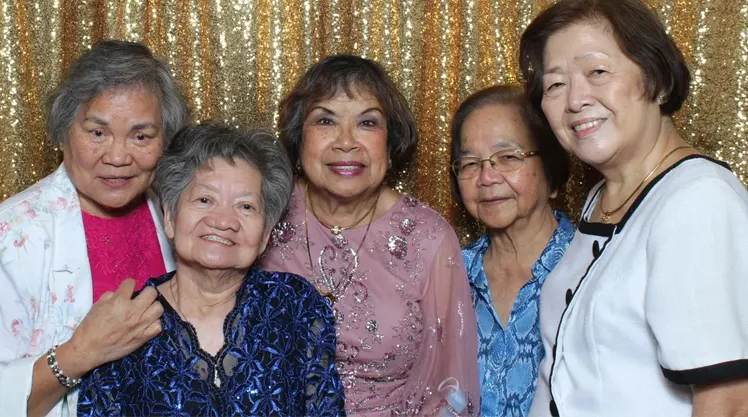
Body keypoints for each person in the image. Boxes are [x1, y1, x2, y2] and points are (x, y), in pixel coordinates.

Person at [520, 0, 748, 417]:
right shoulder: (604, 198)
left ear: (657, 81)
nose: (574, 100)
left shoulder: (697, 201)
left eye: (598, 71)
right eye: (554, 84)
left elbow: (731, 403)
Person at [0, 40, 188, 417]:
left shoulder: (183, 219)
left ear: (164, 142)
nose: (119, 157)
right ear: (62, 133)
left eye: (141, 136)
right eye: (97, 133)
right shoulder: (2, 238)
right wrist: (80, 353)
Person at [260, 54, 480, 417]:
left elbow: (449, 388)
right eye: (326, 120)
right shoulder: (262, 212)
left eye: (367, 123)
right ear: (299, 141)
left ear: (390, 146)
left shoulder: (428, 238)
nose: (346, 142)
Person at [77, 123, 345, 416]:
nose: (223, 220)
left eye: (245, 207)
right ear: (170, 217)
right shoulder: (125, 321)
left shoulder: (294, 305)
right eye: (205, 200)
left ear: (265, 233)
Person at [450, 85, 574, 417]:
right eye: (470, 164)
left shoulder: (591, 270)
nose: (487, 177)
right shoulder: (448, 275)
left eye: (508, 157)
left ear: (551, 169)